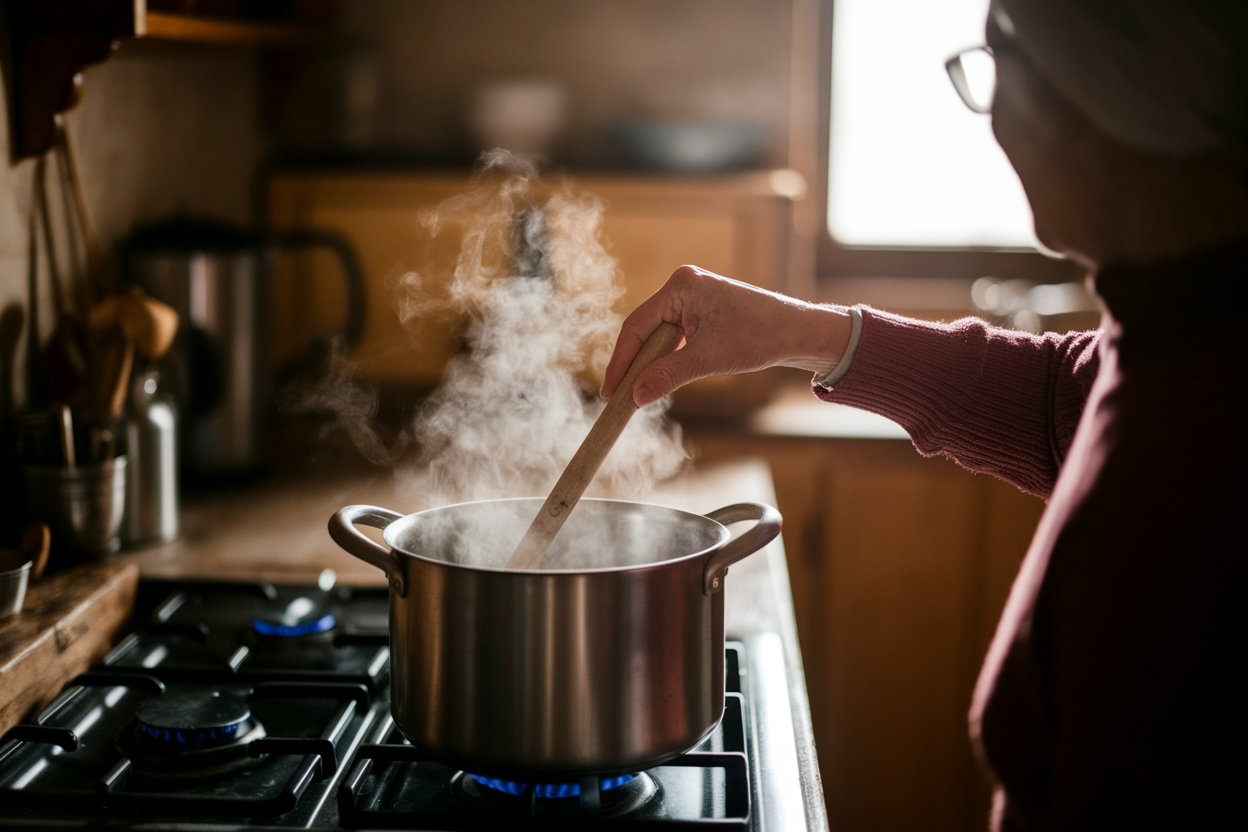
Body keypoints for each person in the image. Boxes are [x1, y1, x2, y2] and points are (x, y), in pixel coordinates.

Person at [601, 0, 1247, 828]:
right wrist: (799, 332)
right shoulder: (1178, 319)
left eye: (993, 64)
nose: (994, 120)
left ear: (1097, 94)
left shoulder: (1210, 439)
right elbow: (1066, 401)